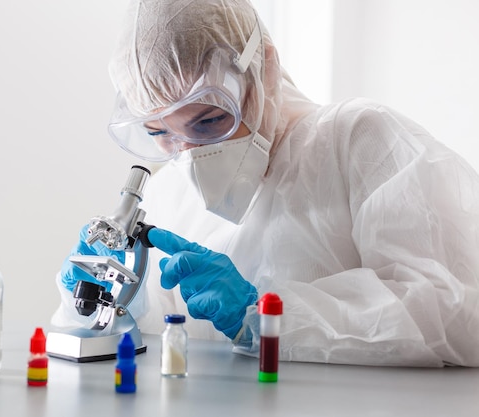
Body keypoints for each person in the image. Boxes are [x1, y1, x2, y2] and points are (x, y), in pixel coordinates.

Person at [54, 0, 479, 367]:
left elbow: (454, 314)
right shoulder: (169, 195)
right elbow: (145, 342)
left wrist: (267, 316)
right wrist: (98, 298)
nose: (187, 152)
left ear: (264, 69)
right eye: (158, 132)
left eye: (211, 120)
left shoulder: (357, 140)